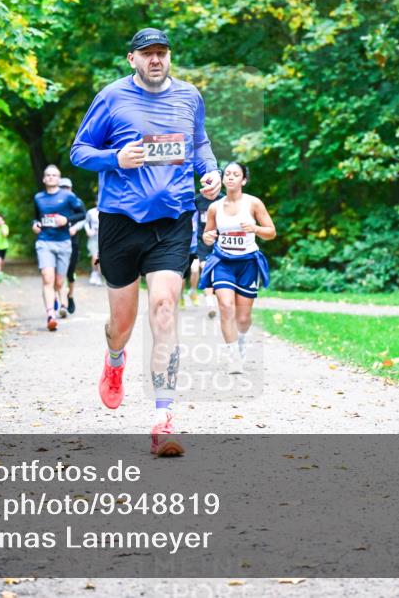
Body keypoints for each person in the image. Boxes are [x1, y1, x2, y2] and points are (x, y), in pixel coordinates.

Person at [70, 27, 221, 456]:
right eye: (147, 54)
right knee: (122, 325)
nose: (156, 60)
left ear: (169, 57)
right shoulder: (112, 97)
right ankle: (114, 361)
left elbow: (200, 144)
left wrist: (208, 172)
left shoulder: (189, 96)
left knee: (163, 308)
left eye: (162, 53)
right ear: (131, 58)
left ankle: (163, 415)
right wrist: (113, 158)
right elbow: (79, 152)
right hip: (120, 222)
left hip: (173, 220)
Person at [199, 162, 275, 374]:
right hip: (223, 261)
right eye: (227, 174)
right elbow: (207, 236)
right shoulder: (214, 207)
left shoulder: (254, 204)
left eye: (236, 174)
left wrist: (255, 228)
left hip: (248, 263)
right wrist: (208, 236)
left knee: (243, 317)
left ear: (243, 180)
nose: (230, 177)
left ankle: (239, 341)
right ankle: (233, 356)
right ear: (223, 179)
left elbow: (271, 231)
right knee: (225, 306)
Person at [33, 164, 86, 331]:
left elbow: (82, 214)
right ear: (43, 179)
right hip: (44, 242)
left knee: (59, 281)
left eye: (54, 175)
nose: (50, 177)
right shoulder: (38, 198)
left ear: (58, 178)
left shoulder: (68, 196)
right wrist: (35, 225)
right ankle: (50, 315)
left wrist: (67, 220)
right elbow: (36, 218)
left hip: (63, 242)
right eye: (47, 175)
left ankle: (60, 299)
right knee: (47, 277)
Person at [60, 177, 87, 314]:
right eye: (62, 188)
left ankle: (70, 296)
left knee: (70, 272)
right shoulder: (56, 202)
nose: (65, 190)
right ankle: (60, 300)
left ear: (71, 188)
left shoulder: (77, 202)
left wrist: (75, 228)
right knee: (58, 272)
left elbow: (84, 217)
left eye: (67, 188)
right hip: (58, 240)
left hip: (73, 240)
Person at [191, 188, 220, 316]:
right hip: (201, 241)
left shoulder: (223, 200)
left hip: (220, 241)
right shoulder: (197, 200)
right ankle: (210, 304)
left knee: (214, 272)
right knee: (205, 269)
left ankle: (215, 302)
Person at [85, 205, 102, 286]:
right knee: (95, 257)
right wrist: (88, 231)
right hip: (93, 237)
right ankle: (94, 273)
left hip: (103, 238)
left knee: (101, 258)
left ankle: (99, 276)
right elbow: (86, 222)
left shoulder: (107, 211)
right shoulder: (91, 212)